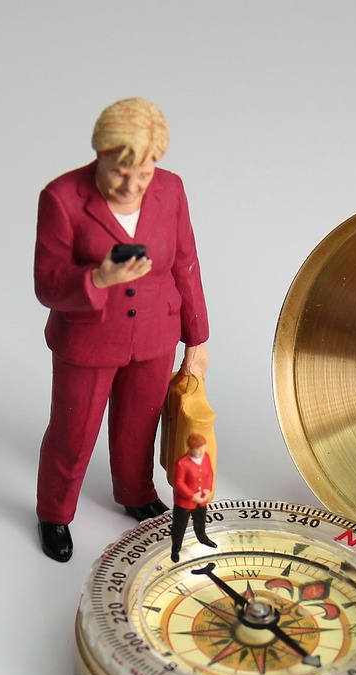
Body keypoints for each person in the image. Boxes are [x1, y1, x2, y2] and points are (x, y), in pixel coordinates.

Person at [33, 97, 210, 562]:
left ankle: (135, 491)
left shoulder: (171, 190)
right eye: (119, 172)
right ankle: (54, 511)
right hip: (88, 339)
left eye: (144, 173)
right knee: (73, 432)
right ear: (100, 155)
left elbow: (186, 264)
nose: (132, 185)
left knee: (141, 423)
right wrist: (97, 278)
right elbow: (47, 283)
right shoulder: (62, 198)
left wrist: (197, 338)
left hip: (155, 333)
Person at [170, 433, 217, 563]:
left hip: (201, 500)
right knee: (179, 527)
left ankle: (202, 538)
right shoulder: (182, 463)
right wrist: (192, 496)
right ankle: (175, 549)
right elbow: (179, 483)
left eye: (203, 447)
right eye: (198, 449)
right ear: (191, 449)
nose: (201, 451)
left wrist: (207, 489)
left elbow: (209, 474)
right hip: (184, 503)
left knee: (200, 522)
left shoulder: (206, 457)